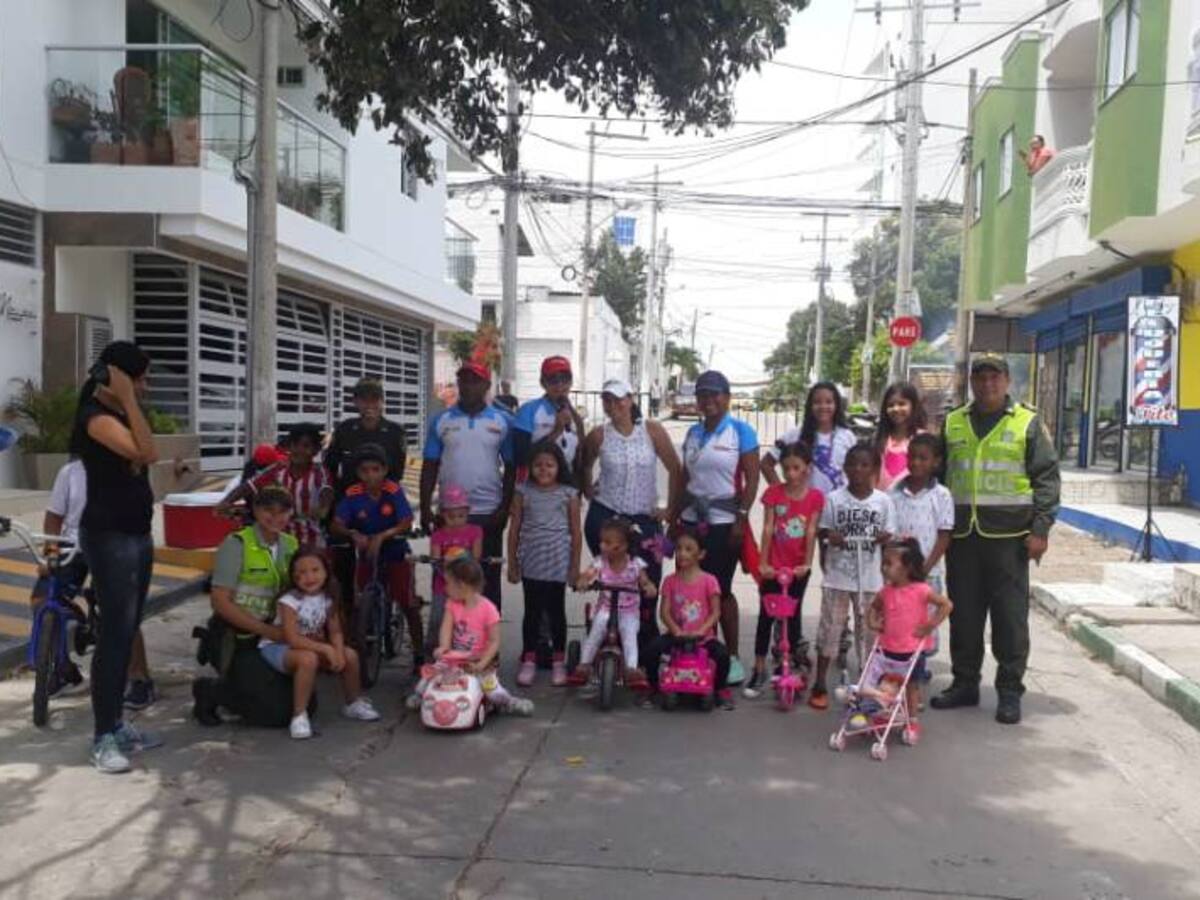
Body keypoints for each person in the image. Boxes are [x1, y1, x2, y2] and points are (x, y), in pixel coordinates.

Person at [932, 354, 1060, 725]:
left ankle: (1009, 691)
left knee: (1009, 618)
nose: (987, 384)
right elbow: (939, 477)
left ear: (1006, 381)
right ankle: (965, 684)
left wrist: (1040, 530)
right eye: (981, 378)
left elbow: (1047, 478)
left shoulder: (1027, 422)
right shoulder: (953, 422)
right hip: (963, 536)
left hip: (1010, 538)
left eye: (994, 377)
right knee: (964, 616)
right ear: (972, 382)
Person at [71, 340, 161, 775]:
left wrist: (129, 402)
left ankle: (118, 725)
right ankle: (102, 736)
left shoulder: (123, 415)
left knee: (126, 634)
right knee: (113, 637)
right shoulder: (95, 417)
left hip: (136, 535)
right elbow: (147, 453)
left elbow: (146, 450)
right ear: (115, 377)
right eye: (139, 379)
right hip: (109, 538)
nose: (145, 387)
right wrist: (124, 395)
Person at [33, 459, 159, 709]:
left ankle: (140, 678)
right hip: (73, 546)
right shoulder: (70, 472)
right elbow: (54, 518)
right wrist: (51, 554)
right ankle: (63, 668)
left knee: (123, 612)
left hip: (113, 545)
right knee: (41, 599)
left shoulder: (128, 469)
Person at [667, 369, 758, 686]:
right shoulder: (693, 434)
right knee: (689, 589)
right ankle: (695, 648)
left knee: (721, 590)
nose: (708, 400)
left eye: (714, 394)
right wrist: (673, 519)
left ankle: (730, 657)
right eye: (702, 394)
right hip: (692, 521)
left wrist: (741, 518)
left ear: (727, 397)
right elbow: (684, 478)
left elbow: (752, 479)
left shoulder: (740, 432)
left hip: (724, 523)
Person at [579, 377, 682, 649]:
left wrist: (670, 509)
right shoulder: (599, 435)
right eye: (607, 400)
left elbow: (675, 468)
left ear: (630, 399)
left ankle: (644, 642)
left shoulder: (651, 430)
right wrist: (588, 488)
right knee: (612, 578)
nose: (613, 405)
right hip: (606, 515)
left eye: (619, 399)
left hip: (643, 517)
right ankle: (608, 631)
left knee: (648, 581)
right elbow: (584, 464)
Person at [192, 486, 300, 730]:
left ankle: (243, 692)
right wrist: (267, 631)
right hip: (237, 637)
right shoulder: (237, 543)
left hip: (273, 636)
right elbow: (220, 602)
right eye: (268, 510)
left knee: (305, 705)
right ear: (256, 511)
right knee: (276, 714)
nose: (276, 517)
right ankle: (210, 691)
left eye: (283, 511)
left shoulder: (291, 544)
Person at [421, 360, 516, 611]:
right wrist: (425, 508)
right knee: (448, 580)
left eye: (475, 381)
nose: (468, 386)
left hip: (488, 514)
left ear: (486, 385)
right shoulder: (440, 420)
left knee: (487, 583)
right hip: (449, 515)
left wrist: (504, 509)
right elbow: (430, 465)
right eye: (464, 380)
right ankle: (449, 631)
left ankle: (489, 634)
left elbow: (511, 469)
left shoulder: (503, 421)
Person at [258, 548, 381, 739]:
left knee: (350, 655)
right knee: (308, 659)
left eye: (315, 570)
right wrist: (325, 648)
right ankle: (299, 715)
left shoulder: (327, 597)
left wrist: (337, 651)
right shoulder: (289, 601)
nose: (309, 577)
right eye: (302, 572)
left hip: (310, 644)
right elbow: (291, 638)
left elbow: (335, 630)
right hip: (279, 647)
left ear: (326, 572)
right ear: (294, 576)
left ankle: (353, 702)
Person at [810, 443, 896, 711]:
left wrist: (881, 538)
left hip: (870, 579)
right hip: (838, 578)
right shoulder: (834, 499)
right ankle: (819, 683)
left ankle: (868, 684)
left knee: (868, 633)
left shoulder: (883, 501)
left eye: (865, 465)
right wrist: (831, 538)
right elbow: (823, 531)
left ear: (875, 469)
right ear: (845, 468)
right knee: (830, 630)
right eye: (853, 464)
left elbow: (889, 534)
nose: (858, 470)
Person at [744, 442, 823, 699]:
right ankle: (759, 668)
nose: (790, 474)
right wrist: (763, 563)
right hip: (773, 567)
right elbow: (768, 528)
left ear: (807, 468)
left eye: (796, 468)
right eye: (786, 468)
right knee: (766, 617)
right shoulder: (774, 494)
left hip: (797, 569)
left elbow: (811, 531)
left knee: (793, 617)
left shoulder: (815, 498)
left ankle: (790, 664)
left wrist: (806, 564)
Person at [330, 443, 421, 665]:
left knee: (408, 602)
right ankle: (359, 645)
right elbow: (336, 523)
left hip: (396, 551)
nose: (371, 475)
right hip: (368, 554)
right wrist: (352, 534)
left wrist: (383, 536)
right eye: (365, 470)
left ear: (385, 470)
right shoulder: (352, 494)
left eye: (376, 470)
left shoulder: (393, 490)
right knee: (360, 600)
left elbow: (406, 522)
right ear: (358, 472)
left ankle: (420, 655)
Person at [408, 556, 533, 715]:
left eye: (448, 584)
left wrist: (482, 663)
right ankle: (421, 695)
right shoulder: (452, 604)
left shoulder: (488, 609)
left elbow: (494, 641)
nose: (445, 588)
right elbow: (446, 627)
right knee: (430, 676)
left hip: (478, 660)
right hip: (453, 659)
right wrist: (444, 647)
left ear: (461, 586)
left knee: (492, 690)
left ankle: (509, 702)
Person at [507, 441, 581, 687]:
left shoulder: (569, 494)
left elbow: (576, 533)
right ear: (530, 467)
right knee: (532, 611)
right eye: (538, 465)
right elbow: (514, 529)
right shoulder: (522, 491)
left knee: (556, 612)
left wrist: (574, 567)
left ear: (559, 467)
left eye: (550, 465)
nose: (544, 469)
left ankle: (559, 661)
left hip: (558, 561)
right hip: (531, 560)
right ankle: (529, 659)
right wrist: (512, 563)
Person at [865, 539, 953, 741]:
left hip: (912, 650)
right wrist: (873, 622)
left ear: (907, 568)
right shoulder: (885, 592)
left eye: (889, 564)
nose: (884, 568)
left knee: (911, 687)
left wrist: (930, 625)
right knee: (885, 685)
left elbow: (946, 604)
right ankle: (884, 713)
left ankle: (911, 720)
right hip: (888, 648)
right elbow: (874, 608)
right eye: (883, 563)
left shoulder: (921, 590)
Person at [641, 528, 733, 710]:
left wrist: (702, 630)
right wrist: (675, 630)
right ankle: (653, 687)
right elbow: (664, 612)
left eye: (689, 549)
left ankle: (720, 689)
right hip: (677, 636)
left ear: (701, 554)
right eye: (679, 548)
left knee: (723, 655)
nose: (682, 553)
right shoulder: (669, 581)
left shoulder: (709, 581)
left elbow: (715, 612)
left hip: (703, 637)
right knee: (651, 651)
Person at [569, 517, 656, 687]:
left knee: (629, 635)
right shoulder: (600, 562)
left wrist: (649, 587)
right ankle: (584, 664)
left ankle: (631, 669)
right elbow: (588, 574)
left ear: (623, 546)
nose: (602, 546)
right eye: (602, 541)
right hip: (606, 608)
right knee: (596, 630)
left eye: (608, 543)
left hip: (629, 611)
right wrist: (583, 580)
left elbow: (645, 581)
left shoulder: (635, 564)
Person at [219, 422, 333, 548]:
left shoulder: (320, 473)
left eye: (306, 446)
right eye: (295, 445)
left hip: (311, 543)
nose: (299, 450)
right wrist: (226, 502)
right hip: (279, 542)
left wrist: (322, 508)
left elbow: (326, 496)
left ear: (316, 450)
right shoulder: (278, 469)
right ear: (289, 446)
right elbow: (250, 485)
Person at [762, 381, 856, 497]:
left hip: (839, 506)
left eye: (828, 402)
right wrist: (784, 495)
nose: (823, 406)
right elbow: (766, 464)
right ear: (810, 406)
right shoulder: (795, 434)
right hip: (805, 506)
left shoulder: (847, 436)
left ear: (836, 405)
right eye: (817, 402)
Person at [423, 484, 483, 660]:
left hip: (467, 584)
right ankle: (431, 653)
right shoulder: (438, 535)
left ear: (467, 513)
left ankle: (472, 652)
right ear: (443, 514)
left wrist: (466, 565)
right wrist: (441, 564)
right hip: (443, 584)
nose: (456, 520)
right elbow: (435, 558)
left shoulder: (475, 531)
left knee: (470, 620)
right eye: (451, 516)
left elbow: (476, 556)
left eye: (461, 516)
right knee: (437, 619)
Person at [326, 378, 408, 494]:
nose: (369, 405)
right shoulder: (344, 429)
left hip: (383, 498)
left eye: (374, 399)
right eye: (364, 400)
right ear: (355, 401)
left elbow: (397, 473)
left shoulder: (396, 432)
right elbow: (330, 467)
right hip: (349, 497)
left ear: (382, 401)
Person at [513, 356, 585, 476]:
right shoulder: (528, 410)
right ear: (543, 383)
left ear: (571, 382)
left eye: (565, 379)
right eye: (553, 380)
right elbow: (520, 457)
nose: (560, 385)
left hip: (566, 484)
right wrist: (556, 432)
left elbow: (580, 457)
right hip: (534, 482)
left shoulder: (575, 416)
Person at [874, 382, 929, 491]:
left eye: (902, 404)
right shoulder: (879, 439)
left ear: (913, 406)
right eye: (891, 405)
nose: (896, 409)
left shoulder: (922, 439)